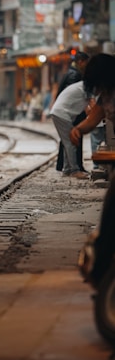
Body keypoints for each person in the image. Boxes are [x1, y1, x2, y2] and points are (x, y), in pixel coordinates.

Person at [69, 53, 115, 286]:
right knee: (109, 212)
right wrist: (79, 129)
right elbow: (95, 117)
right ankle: (103, 267)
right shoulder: (106, 94)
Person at [56, 51, 90, 172]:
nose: (87, 65)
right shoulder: (74, 75)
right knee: (73, 139)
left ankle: (67, 166)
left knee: (68, 139)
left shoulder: (72, 72)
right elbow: (74, 97)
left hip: (69, 112)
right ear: (80, 61)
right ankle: (74, 168)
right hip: (72, 113)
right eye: (86, 63)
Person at [50, 80, 91, 179]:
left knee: (66, 142)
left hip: (58, 112)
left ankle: (67, 169)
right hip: (62, 114)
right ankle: (74, 170)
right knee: (71, 142)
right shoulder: (87, 86)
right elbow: (92, 106)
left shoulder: (81, 85)